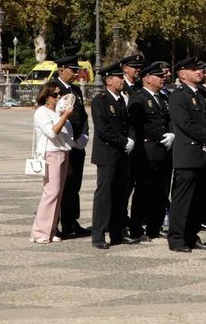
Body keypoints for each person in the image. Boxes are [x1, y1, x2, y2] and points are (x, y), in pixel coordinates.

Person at [166, 58, 206, 252]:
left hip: (204, 154)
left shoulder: (204, 94)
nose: (199, 72)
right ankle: (177, 238)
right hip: (187, 154)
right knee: (182, 200)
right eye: (193, 69)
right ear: (182, 74)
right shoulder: (179, 96)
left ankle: (191, 234)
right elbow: (185, 123)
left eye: (199, 69)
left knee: (199, 199)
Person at [88, 64, 135, 249]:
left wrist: (130, 139)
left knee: (120, 195)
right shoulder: (100, 100)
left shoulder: (121, 100)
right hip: (107, 154)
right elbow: (103, 130)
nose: (122, 81)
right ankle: (98, 235)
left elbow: (126, 123)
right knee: (104, 196)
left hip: (122, 154)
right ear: (109, 80)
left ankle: (117, 233)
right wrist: (124, 141)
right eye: (119, 78)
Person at [128, 62, 173, 242]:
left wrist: (172, 134)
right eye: (159, 76)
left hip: (164, 150)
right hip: (148, 150)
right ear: (147, 79)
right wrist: (162, 136)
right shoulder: (138, 98)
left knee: (161, 192)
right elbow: (141, 124)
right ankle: (137, 228)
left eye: (163, 76)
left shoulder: (162, 98)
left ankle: (155, 227)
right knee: (143, 192)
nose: (163, 79)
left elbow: (169, 119)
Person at [30, 79, 75, 243]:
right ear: (46, 96)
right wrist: (65, 116)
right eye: (55, 94)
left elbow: (67, 137)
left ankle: (51, 229)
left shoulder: (57, 112)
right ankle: (39, 232)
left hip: (63, 153)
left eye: (60, 94)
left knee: (58, 193)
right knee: (51, 192)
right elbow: (52, 132)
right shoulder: (42, 112)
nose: (59, 97)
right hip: (50, 153)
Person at [53, 54, 91, 239]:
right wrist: (68, 139)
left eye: (77, 70)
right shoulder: (53, 88)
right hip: (62, 145)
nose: (76, 73)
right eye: (72, 70)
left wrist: (84, 135)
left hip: (77, 145)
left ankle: (71, 221)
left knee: (74, 185)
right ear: (61, 70)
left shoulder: (76, 90)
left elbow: (82, 116)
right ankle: (55, 223)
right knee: (59, 186)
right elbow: (53, 117)